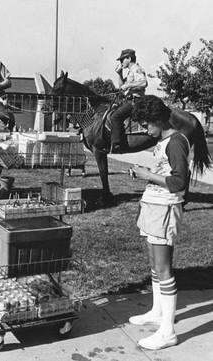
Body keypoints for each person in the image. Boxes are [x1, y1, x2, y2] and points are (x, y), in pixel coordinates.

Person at [129, 95, 190, 350]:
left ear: (156, 119)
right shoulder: (164, 140)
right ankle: (157, 313)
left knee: (164, 270)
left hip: (165, 209)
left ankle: (168, 332)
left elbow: (178, 182)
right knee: (155, 265)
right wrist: (147, 175)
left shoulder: (176, 141)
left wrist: (147, 175)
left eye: (146, 124)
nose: (145, 129)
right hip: (153, 206)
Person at [111, 48, 148, 153]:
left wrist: (129, 85)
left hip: (136, 101)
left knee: (115, 117)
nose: (121, 62)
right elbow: (122, 87)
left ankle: (117, 144)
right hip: (128, 100)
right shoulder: (130, 71)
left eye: (122, 59)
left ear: (129, 58)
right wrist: (119, 73)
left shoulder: (137, 69)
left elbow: (144, 83)